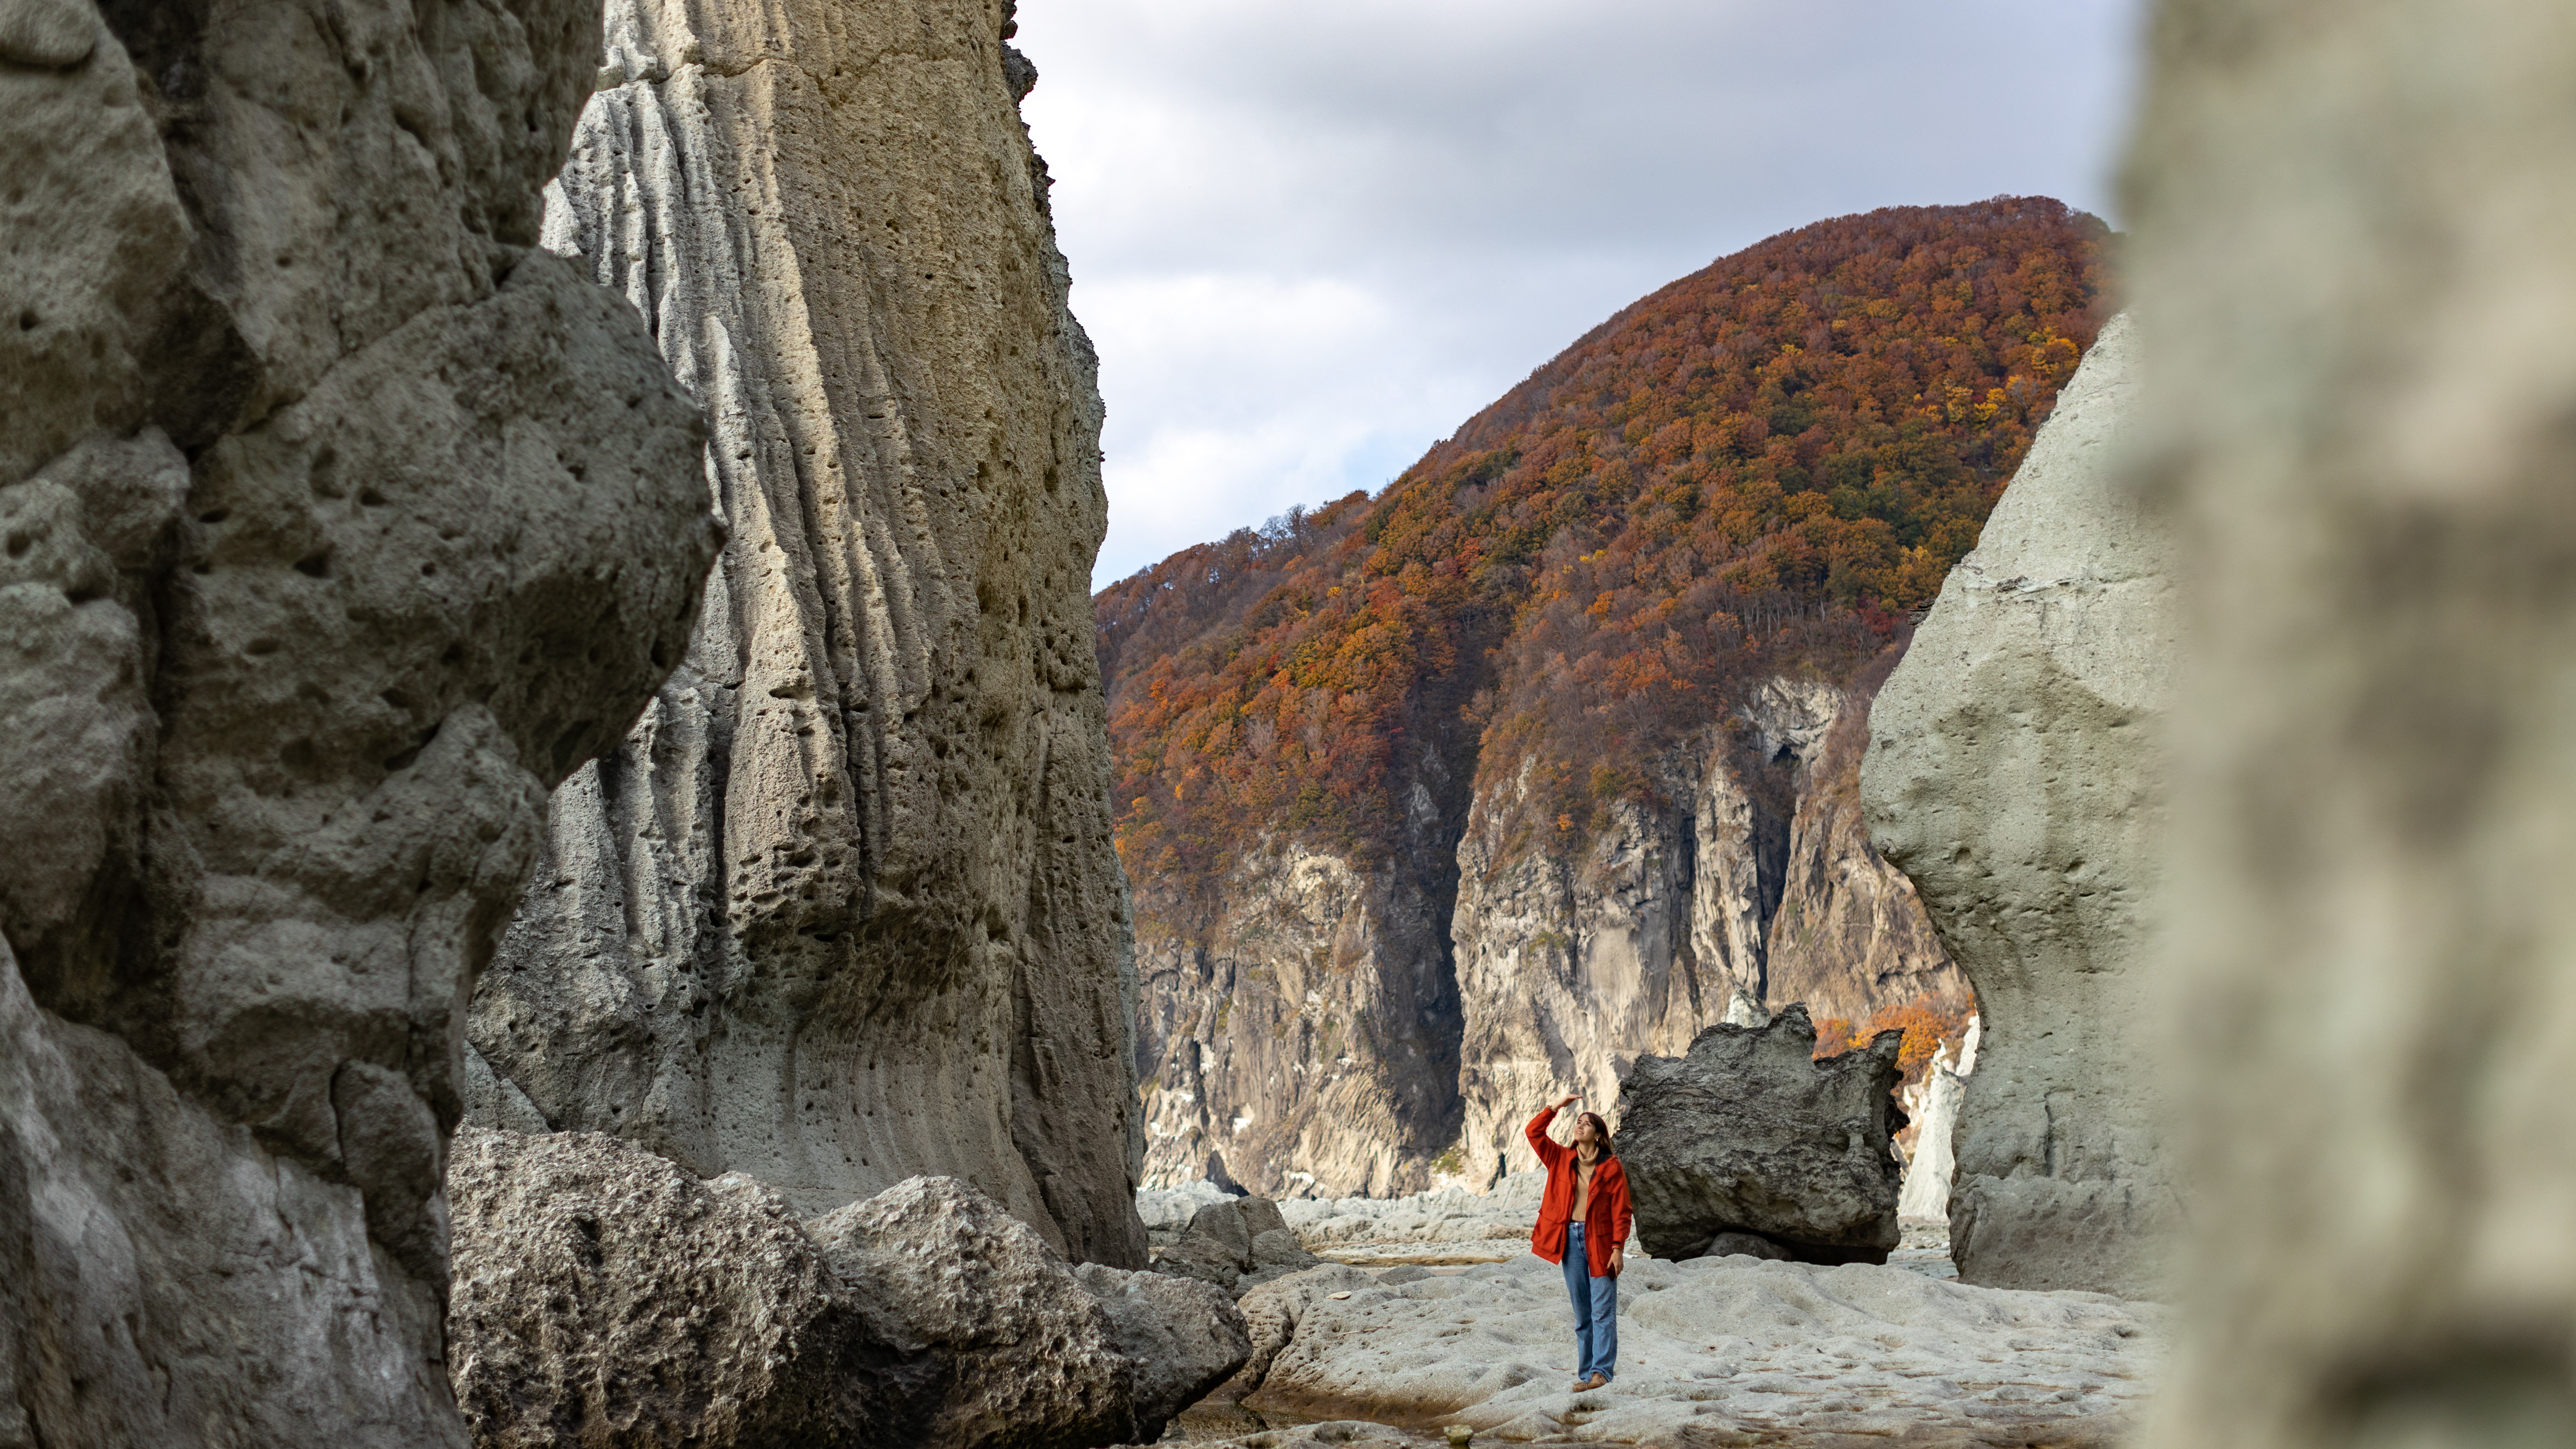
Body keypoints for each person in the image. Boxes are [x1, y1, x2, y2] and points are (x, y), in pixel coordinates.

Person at [1526, 1092, 1632, 1392]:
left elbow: (1622, 1211)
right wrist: (1555, 1107)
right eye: (1578, 1122)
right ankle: (1586, 1376)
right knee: (1583, 1315)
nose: (1580, 1126)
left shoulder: (1612, 1167)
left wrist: (1618, 1249)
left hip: (1599, 1243)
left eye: (1587, 1124)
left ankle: (1602, 1373)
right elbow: (1533, 1132)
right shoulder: (1560, 1158)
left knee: (1602, 1312)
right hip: (1569, 1242)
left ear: (1598, 1135)